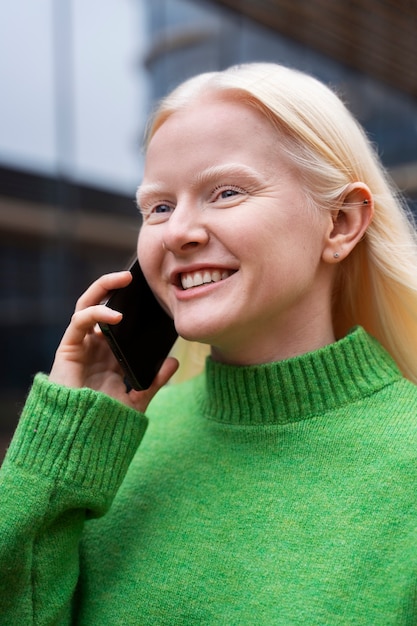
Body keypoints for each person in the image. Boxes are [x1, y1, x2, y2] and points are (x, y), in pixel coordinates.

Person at [1, 62, 417, 625]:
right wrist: (60, 450)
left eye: (225, 192)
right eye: (159, 206)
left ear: (341, 222)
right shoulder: (108, 445)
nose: (177, 232)